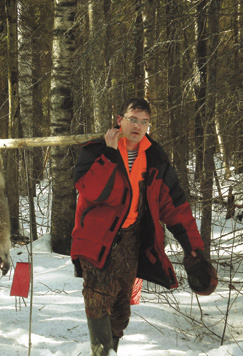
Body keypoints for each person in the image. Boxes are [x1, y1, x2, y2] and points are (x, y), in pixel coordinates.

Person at [71, 98, 217, 355]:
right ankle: (100, 352)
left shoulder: (155, 157)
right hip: (96, 238)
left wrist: (192, 247)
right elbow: (91, 191)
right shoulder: (94, 150)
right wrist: (109, 153)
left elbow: (175, 204)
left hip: (131, 240)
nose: (138, 126)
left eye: (144, 121)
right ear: (120, 120)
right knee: (97, 297)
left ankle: (110, 350)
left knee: (120, 308)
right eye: (133, 119)